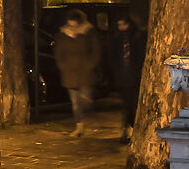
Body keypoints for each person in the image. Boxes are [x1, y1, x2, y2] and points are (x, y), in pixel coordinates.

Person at [54, 9, 103, 136]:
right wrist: (63, 66)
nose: (72, 24)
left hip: (84, 71)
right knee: (75, 102)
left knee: (85, 99)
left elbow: (95, 50)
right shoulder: (63, 34)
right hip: (70, 72)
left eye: (74, 21)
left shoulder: (88, 32)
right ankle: (79, 126)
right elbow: (59, 52)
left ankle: (84, 117)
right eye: (70, 21)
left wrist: (90, 65)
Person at [107, 13, 147, 141]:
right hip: (123, 76)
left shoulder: (136, 37)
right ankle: (128, 128)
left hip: (134, 75)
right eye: (119, 25)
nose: (122, 27)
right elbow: (112, 57)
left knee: (132, 104)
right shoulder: (117, 38)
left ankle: (130, 127)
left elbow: (139, 55)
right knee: (127, 104)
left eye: (124, 24)